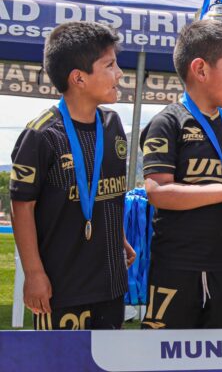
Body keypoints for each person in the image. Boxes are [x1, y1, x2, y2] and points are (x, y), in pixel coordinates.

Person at [140, 19, 222, 329]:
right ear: (200, 69)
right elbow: (157, 192)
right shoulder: (167, 122)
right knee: (165, 357)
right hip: (178, 264)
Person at [10, 21, 134, 330]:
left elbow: (108, 190)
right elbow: (22, 206)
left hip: (111, 283)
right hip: (62, 286)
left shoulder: (113, 124)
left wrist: (119, 238)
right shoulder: (41, 135)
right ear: (78, 78)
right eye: (109, 65)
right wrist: (34, 274)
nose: (119, 73)